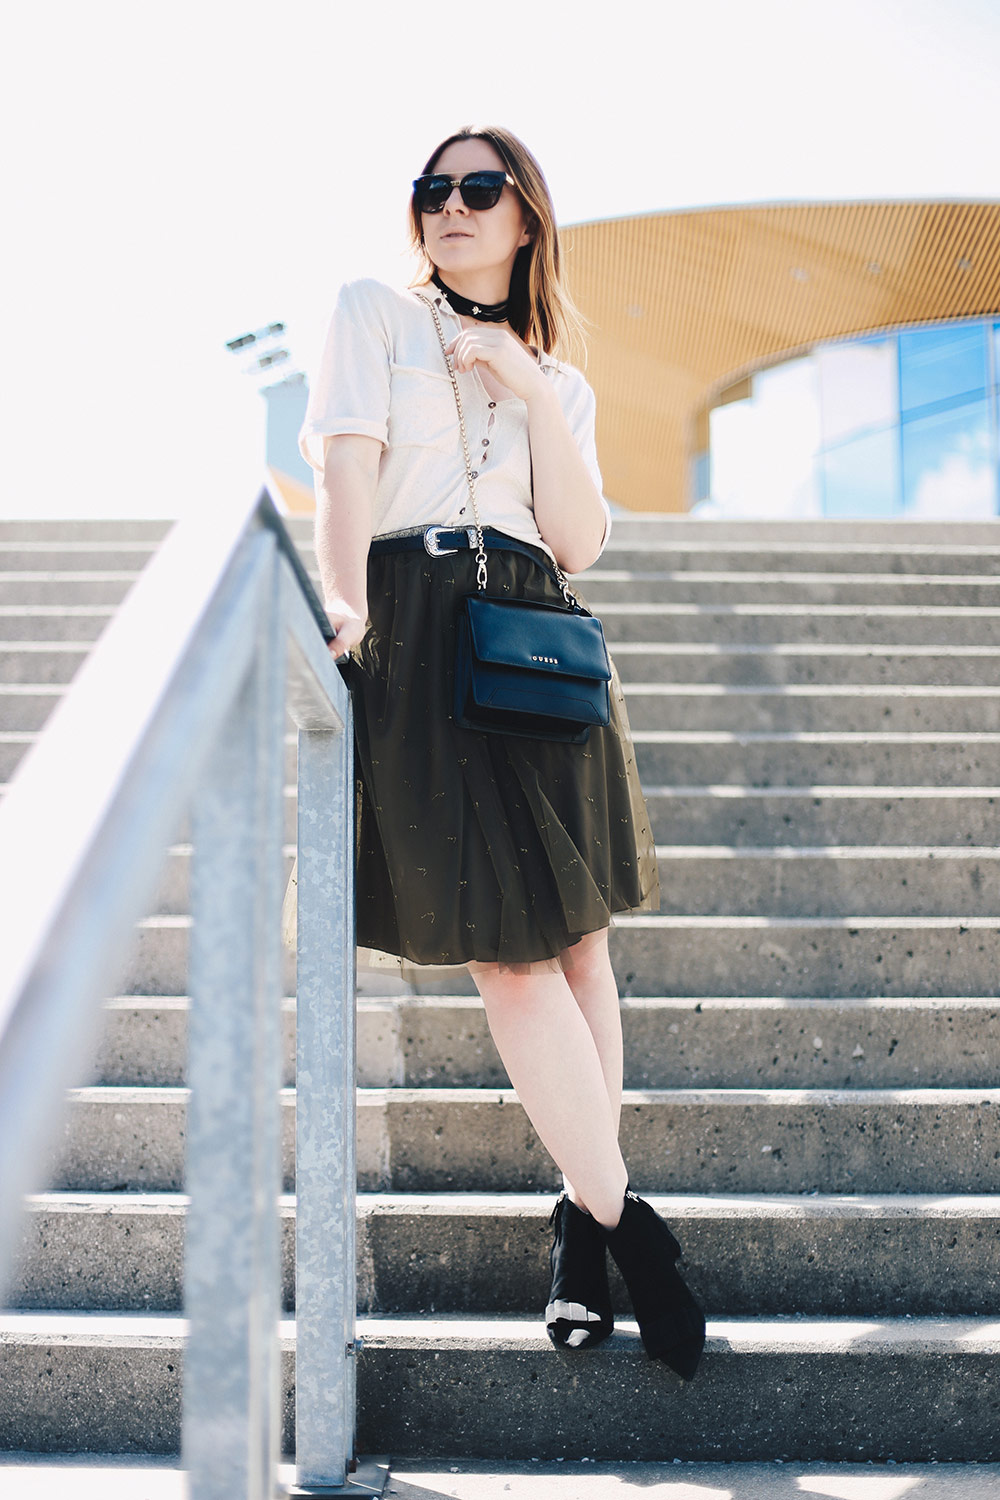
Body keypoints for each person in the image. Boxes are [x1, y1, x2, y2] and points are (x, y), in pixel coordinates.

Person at [299, 125, 705, 1380]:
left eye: (480, 190)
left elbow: (579, 541)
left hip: (537, 640)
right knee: (512, 962)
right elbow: (346, 474)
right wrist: (347, 611)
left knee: (580, 944)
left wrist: (529, 387)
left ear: (526, 215)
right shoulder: (370, 312)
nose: (452, 208)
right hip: (421, 634)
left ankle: (582, 1227)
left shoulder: (558, 380)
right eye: (434, 191)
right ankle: (626, 1231)